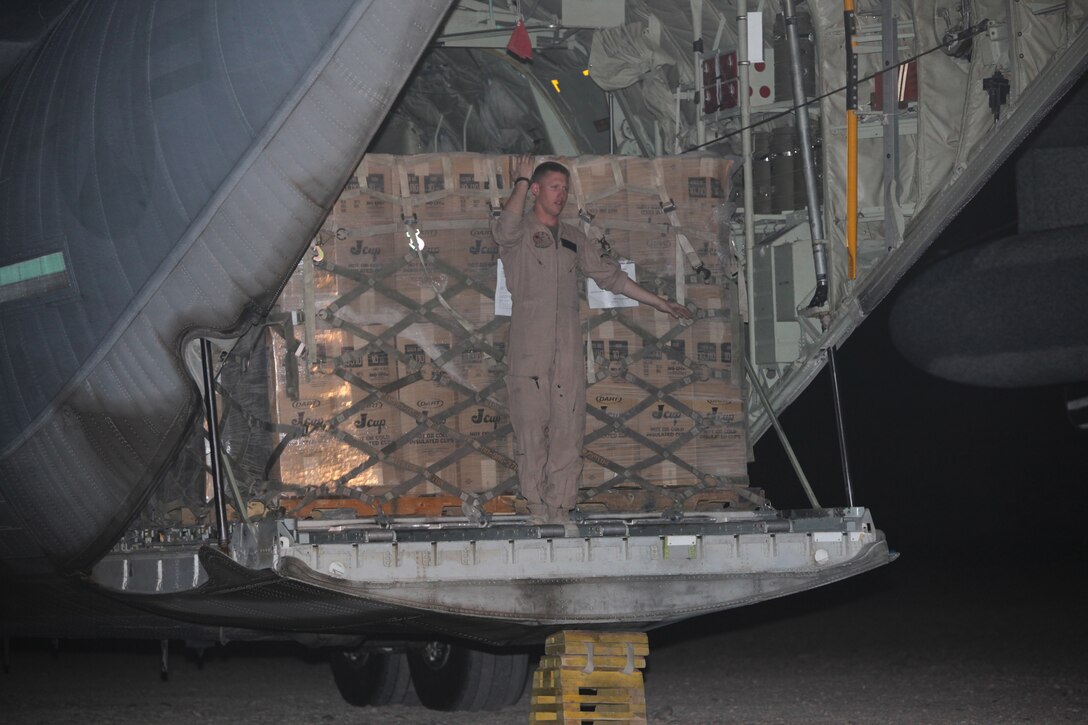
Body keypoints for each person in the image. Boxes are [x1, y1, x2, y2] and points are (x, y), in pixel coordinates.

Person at [493, 155, 693, 524]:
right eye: (555, 187)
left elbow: (611, 277)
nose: (562, 195)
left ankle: (562, 508)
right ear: (536, 190)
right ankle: (537, 508)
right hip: (528, 351)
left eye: (565, 189)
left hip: (567, 351)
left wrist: (660, 302)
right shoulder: (519, 233)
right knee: (531, 434)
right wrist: (520, 181)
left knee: (569, 433)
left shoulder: (573, 238)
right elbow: (503, 229)